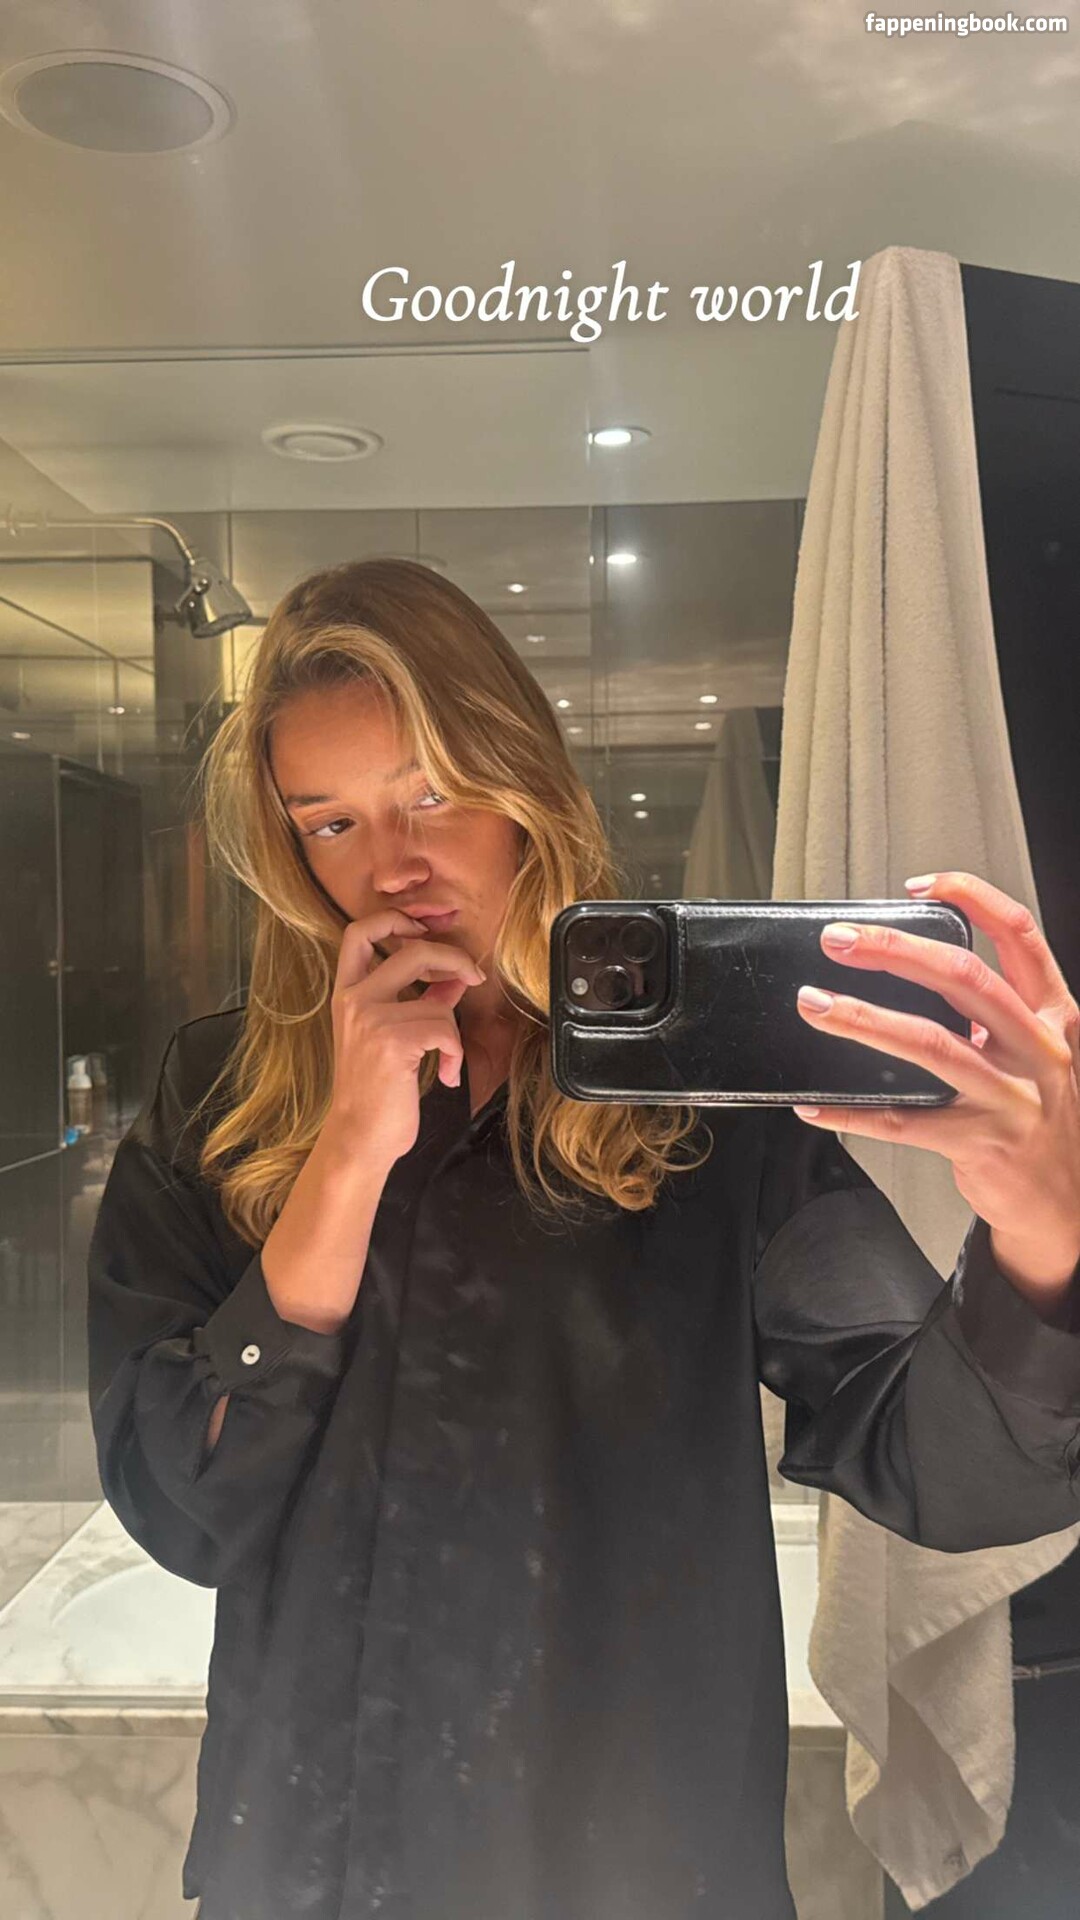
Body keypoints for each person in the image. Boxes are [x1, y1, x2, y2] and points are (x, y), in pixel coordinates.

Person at [87, 558, 1080, 1920]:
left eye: (432, 795)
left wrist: (1043, 1235)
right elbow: (183, 1507)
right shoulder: (219, 1098)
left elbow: (949, 1473)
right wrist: (345, 1160)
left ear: (520, 786)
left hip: (632, 1857)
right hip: (310, 1854)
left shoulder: (689, 1101)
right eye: (330, 822)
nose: (390, 867)